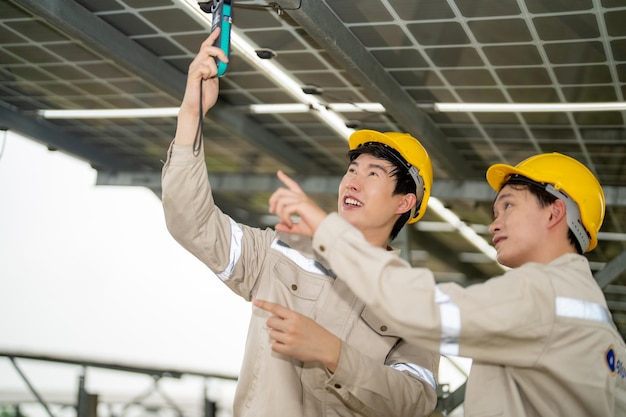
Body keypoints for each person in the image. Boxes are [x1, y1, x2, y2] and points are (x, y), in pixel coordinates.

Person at [161, 30, 439, 417]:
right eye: (353, 169)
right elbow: (191, 223)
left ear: (405, 202)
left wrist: (333, 353)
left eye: (373, 174)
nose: (353, 181)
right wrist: (191, 114)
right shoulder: (282, 251)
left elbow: (415, 401)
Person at [258, 152, 626, 416]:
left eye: (509, 206)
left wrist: (327, 231)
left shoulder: (544, 295)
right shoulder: (602, 328)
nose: (494, 225)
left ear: (554, 211)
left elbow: (425, 312)